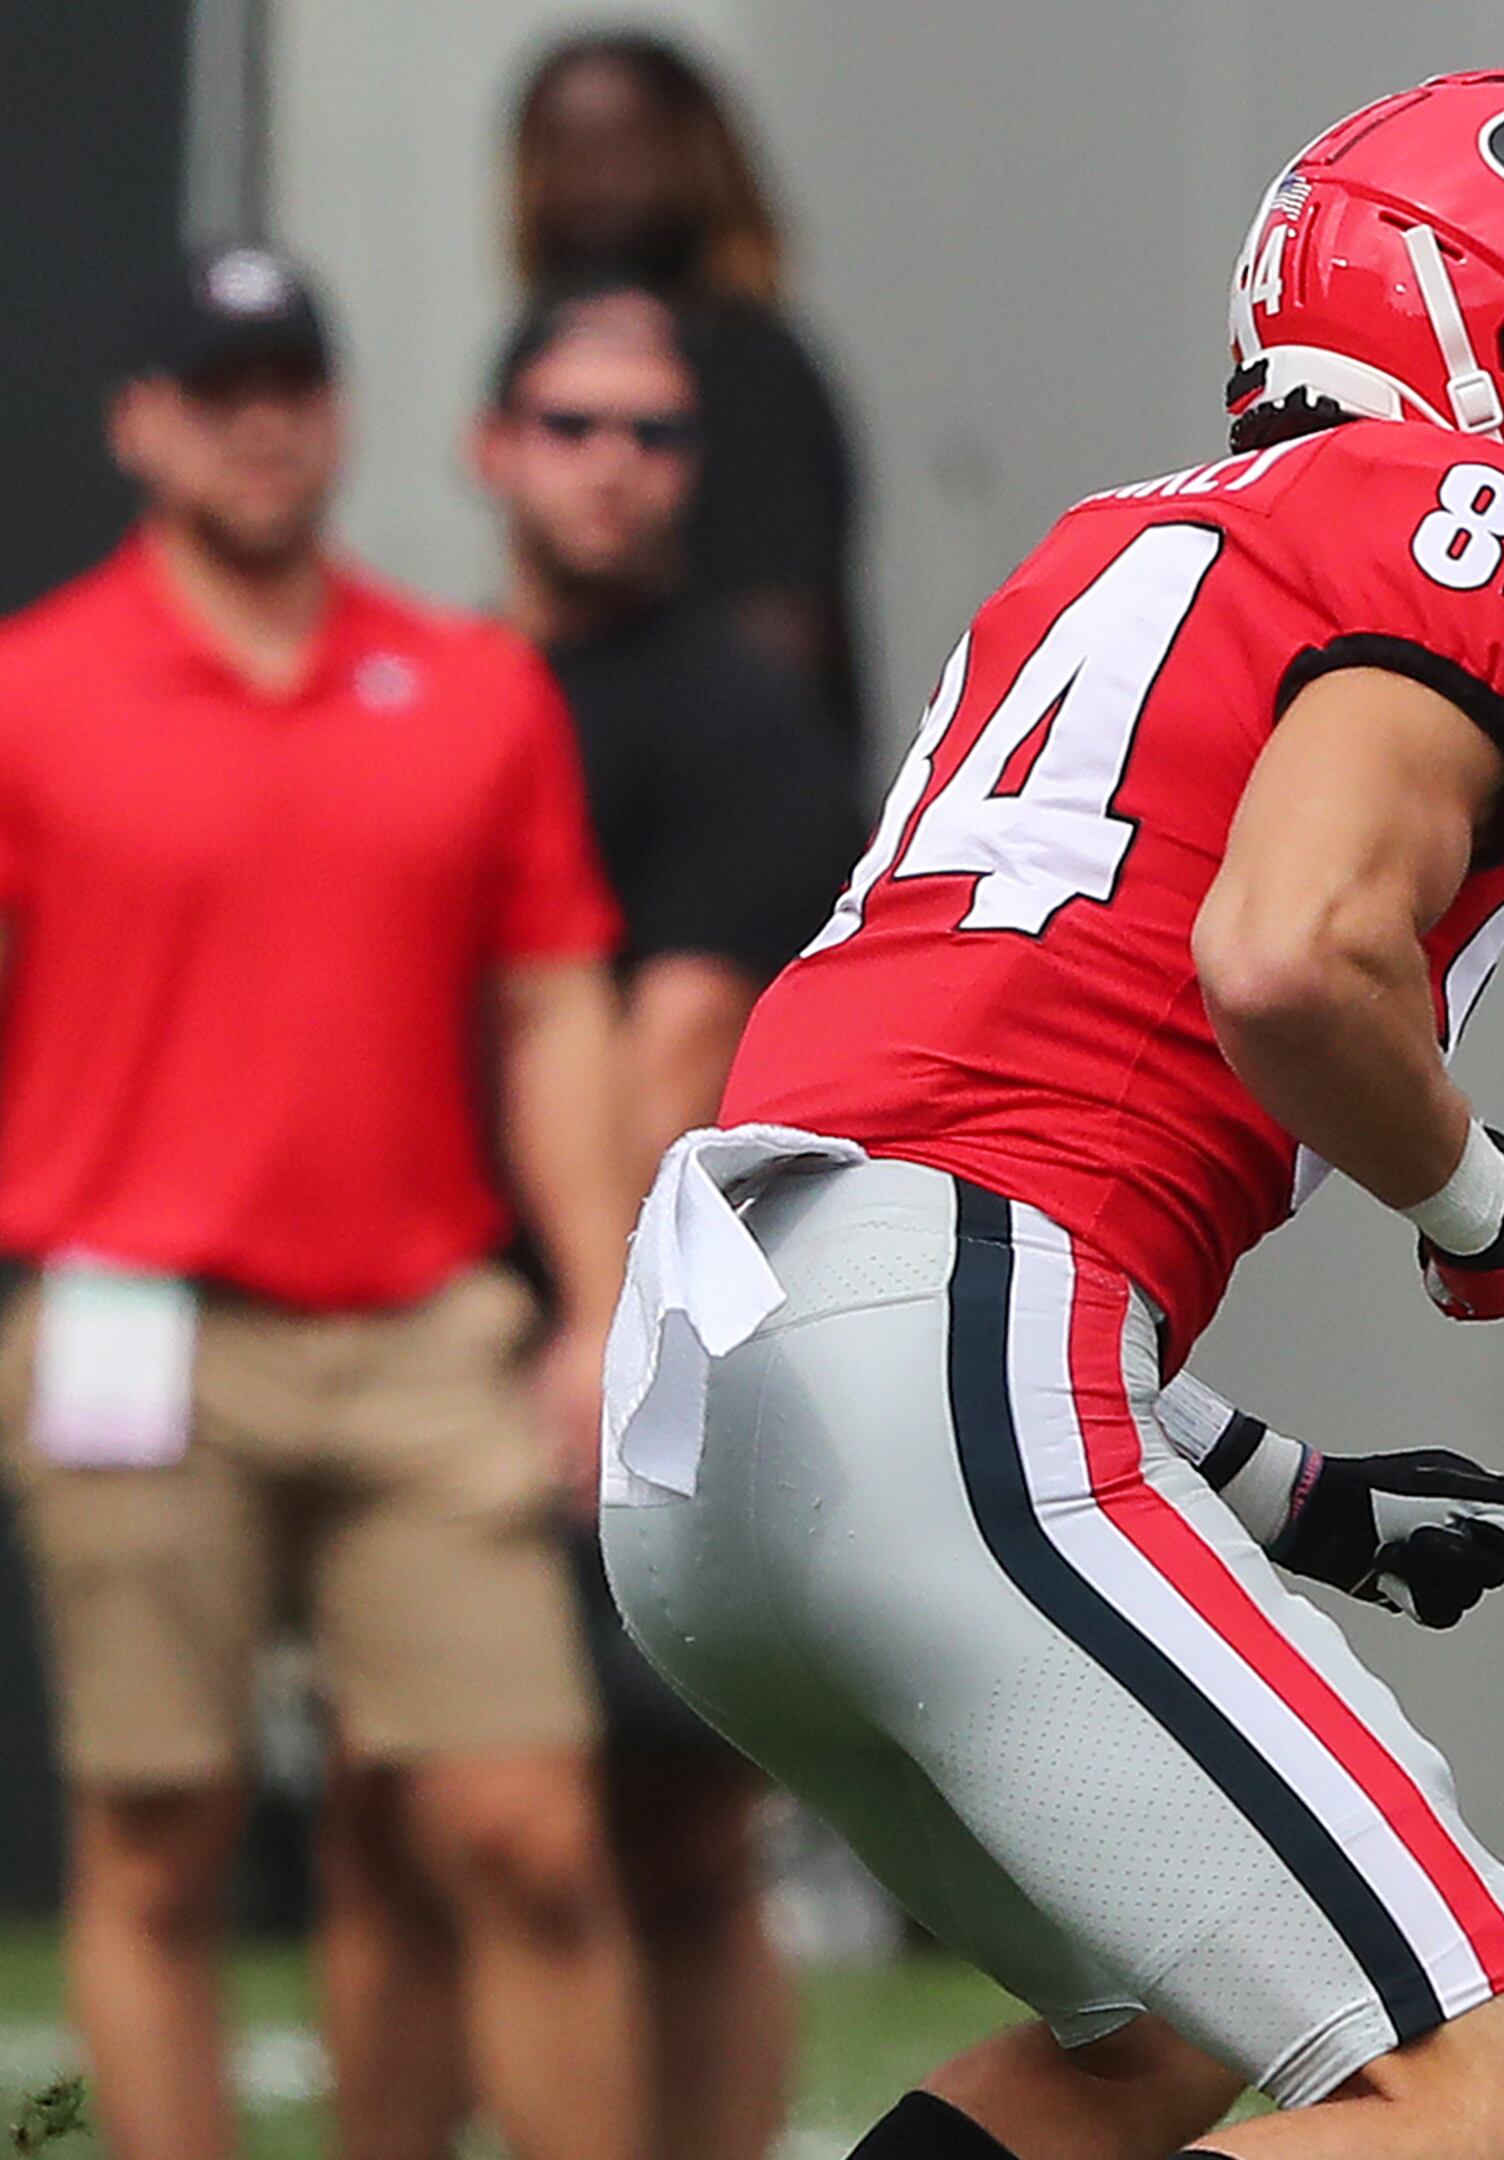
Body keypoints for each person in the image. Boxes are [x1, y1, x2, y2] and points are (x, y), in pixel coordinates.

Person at [599, 70, 1504, 2160]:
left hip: (718, 1398)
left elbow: (921, 1216)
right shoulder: (1485, 520)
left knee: (1148, 2051)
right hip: (947, 1351)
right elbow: (1288, 961)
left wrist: (1305, 1498)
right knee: (1483, 2115)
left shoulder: (1113, 544)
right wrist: (1469, 1197)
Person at [0, 245, 646, 2160]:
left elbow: (553, 1008)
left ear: (343, 414)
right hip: (130, 1319)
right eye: (217, 383)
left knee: (524, 1828)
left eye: (290, 378)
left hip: (422, 1327)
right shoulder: (32, 690)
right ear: (141, 421)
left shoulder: (469, 689)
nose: (259, 417)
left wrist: (601, 1309)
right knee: (157, 1837)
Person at [313, 284, 859, 2160]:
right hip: (422, 1315)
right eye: (573, 423)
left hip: (652, 1326)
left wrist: (612, 1340)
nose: (616, 465)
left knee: (673, 1836)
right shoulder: (430, 690)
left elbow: (678, 1046)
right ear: (488, 449)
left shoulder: (740, 710)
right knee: (400, 1819)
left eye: (657, 432)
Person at [510, 30, 862, 736]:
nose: (592, 175)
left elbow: (784, 629)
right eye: (564, 145)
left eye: (623, 142)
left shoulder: (750, 358)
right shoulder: (536, 343)